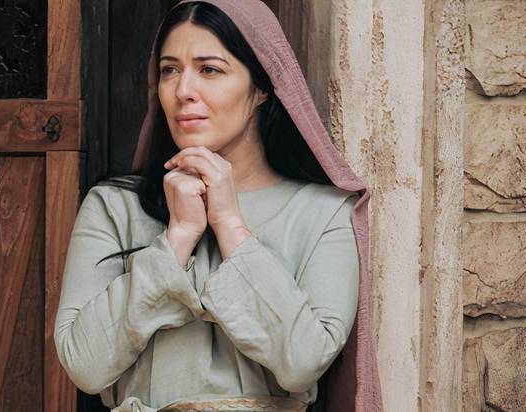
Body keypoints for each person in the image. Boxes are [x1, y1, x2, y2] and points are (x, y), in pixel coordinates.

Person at [54, 1, 383, 410]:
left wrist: (229, 224)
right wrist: (177, 239)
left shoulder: (324, 212)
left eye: (209, 70)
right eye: (170, 70)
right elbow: (83, 366)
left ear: (262, 87)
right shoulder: (114, 207)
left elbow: (301, 362)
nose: (183, 91)